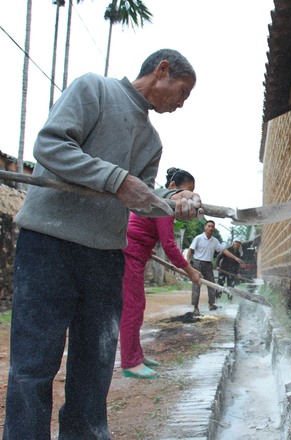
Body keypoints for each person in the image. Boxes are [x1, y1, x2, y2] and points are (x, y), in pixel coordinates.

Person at [4, 49, 201, 440]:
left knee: (94, 367)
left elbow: (142, 202)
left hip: (106, 257)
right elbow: (51, 146)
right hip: (49, 245)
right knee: (33, 365)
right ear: (162, 71)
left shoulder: (151, 139)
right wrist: (116, 180)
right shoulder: (93, 89)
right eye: (182, 92)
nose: (182, 103)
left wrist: (173, 202)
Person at [120, 167, 203, 380]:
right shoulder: (165, 203)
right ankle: (130, 362)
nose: (186, 200)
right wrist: (190, 271)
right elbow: (169, 245)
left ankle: (136, 355)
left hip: (136, 253)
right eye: (185, 193)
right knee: (133, 307)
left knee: (137, 305)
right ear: (172, 187)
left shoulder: (156, 197)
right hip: (130, 255)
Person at [186, 220, 224, 315]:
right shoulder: (198, 238)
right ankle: (195, 307)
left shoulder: (215, 241)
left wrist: (235, 257)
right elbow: (190, 250)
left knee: (212, 284)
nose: (211, 228)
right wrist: (187, 262)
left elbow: (223, 250)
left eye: (212, 227)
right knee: (196, 285)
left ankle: (211, 304)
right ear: (205, 227)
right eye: (209, 226)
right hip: (198, 263)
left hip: (208, 264)